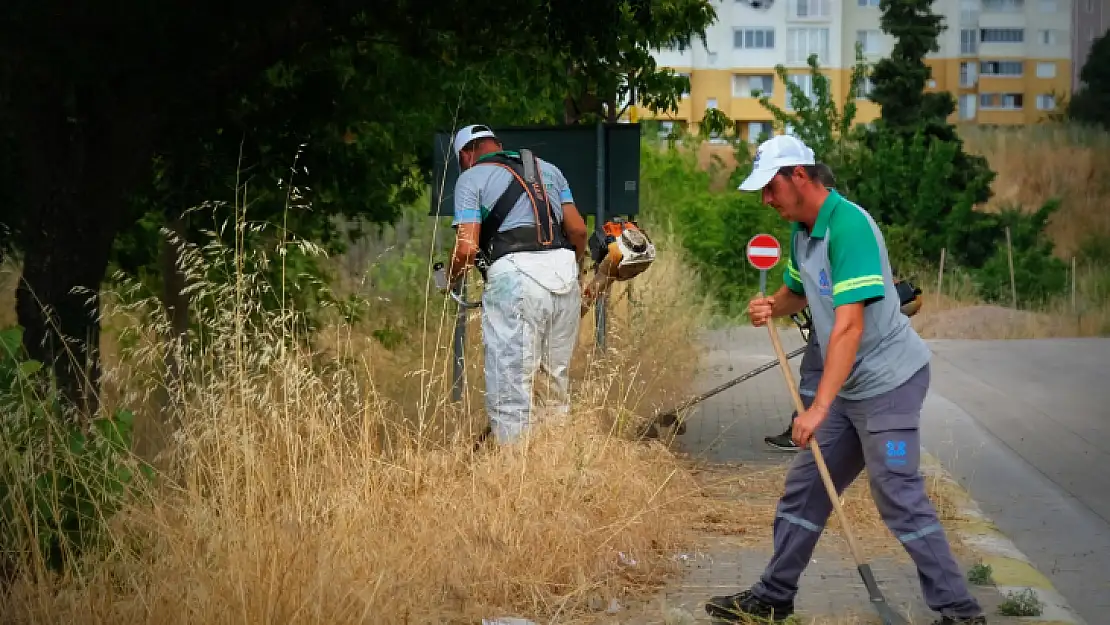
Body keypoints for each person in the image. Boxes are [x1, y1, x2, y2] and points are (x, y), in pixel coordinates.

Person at [707, 134, 986, 625]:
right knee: (806, 490)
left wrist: (817, 408)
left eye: (771, 188)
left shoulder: (849, 226)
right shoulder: (802, 231)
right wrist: (773, 305)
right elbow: (799, 291)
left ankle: (960, 611)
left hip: (889, 387)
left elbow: (848, 326)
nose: (767, 201)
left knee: (897, 492)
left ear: (799, 176)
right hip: (849, 388)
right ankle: (774, 596)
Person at [444, 124, 590, 446]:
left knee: (510, 388)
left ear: (466, 155)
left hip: (515, 277)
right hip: (564, 272)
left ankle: (515, 478)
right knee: (554, 386)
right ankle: (554, 469)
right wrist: (572, 272)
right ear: (495, 144)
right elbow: (578, 231)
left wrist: (451, 278)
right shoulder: (549, 170)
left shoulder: (470, 178)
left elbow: (467, 247)